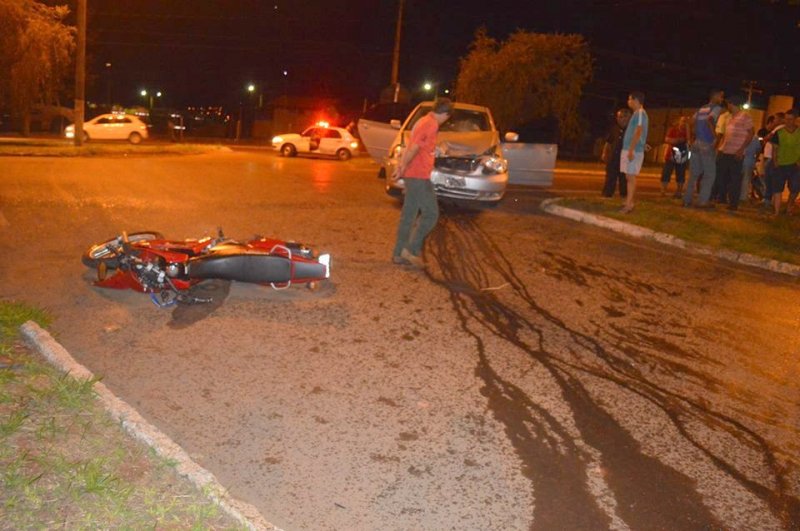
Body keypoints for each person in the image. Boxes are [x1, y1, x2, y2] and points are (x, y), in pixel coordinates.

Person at [391, 97, 453, 267]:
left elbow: (414, 146)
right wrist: (402, 167)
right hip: (418, 176)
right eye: (447, 118)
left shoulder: (423, 121)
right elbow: (414, 148)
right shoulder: (431, 124)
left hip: (415, 174)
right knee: (431, 214)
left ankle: (399, 253)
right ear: (445, 114)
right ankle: (410, 251)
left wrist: (402, 167)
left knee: (409, 215)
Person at [683, 89, 725, 208]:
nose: (722, 100)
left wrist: (689, 140)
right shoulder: (716, 108)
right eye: (721, 97)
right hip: (706, 144)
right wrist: (715, 137)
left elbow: (688, 123)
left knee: (693, 174)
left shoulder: (701, 109)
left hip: (696, 143)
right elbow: (710, 120)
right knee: (710, 174)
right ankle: (703, 201)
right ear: (715, 96)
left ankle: (687, 199)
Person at [715, 96, 754, 211]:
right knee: (721, 175)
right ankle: (721, 197)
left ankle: (733, 203)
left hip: (736, 152)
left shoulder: (745, 116)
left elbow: (751, 133)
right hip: (725, 151)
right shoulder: (731, 117)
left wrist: (741, 149)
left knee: (735, 179)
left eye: (728, 104)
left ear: (731, 104)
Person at [620, 91, 648, 213]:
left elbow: (638, 131)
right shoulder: (637, 114)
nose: (628, 101)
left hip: (633, 150)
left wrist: (631, 149)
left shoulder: (640, 113)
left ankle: (629, 204)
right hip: (632, 148)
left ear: (636, 100)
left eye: (630, 99)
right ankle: (628, 201)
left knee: (630, 177)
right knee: (628, 176)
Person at [770, 108, 800, 215]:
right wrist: (775, 162)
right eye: (786, 119)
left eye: (791, 119)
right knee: (777, 188)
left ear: (795, 119)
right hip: (780, 164)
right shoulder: (779, 132)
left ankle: (789, 206)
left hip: (795, 165)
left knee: (795, 188)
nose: (788, 122)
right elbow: (775, 149)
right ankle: (776, 212)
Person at [600, 108, 631, 198]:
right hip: (613, 158)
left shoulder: (632, 130)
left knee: (624, 180)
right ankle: (607, 195)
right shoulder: (614, 129)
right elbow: (608, 142)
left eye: (623, 117)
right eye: (619, 117)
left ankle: (624, 197)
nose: (621, 119)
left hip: (626, 159)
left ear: (628, 118)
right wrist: (604, 153)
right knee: (610, 178)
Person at [660, 116, 689, 197]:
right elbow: (667, 139)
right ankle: (663, 190)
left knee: (680, 173)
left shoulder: (688, 132)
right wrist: (677, 140)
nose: (684, 123)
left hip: (682, 155)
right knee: (666, 172)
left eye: (686, 122)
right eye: (683, 121)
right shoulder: (674, 129)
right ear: (679, 121)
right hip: (671, 155)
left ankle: (679, 192)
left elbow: (689, 141)